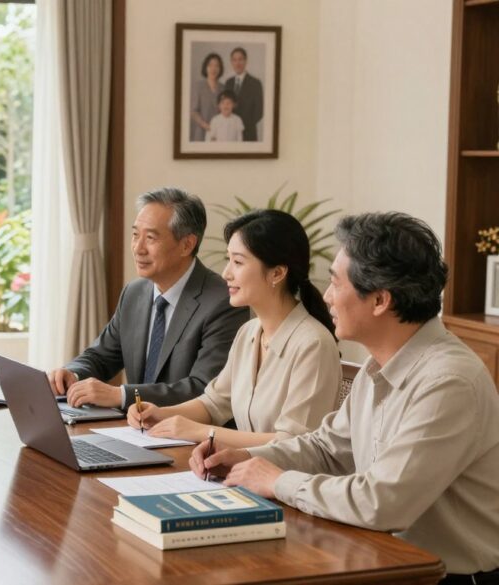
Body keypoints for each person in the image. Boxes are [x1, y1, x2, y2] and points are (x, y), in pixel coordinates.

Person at [195, 213, 499, 583]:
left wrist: (276, 481)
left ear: (379, 300)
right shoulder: (381, 362)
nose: (326, 297)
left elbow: (382, 502)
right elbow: (328, 448)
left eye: (336, 283)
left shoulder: (448, 382)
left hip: (441, 576)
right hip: (380, 557)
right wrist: (246, 460)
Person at [128, 210, 340, 447]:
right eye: (229, 260)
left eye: (238, 262)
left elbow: (293, 443)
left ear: (277, 273)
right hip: (246, 473)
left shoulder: (313, 344)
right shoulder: (248, 332)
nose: (226, 273)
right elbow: (214, 403)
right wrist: (161, 414)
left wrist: (200, 432)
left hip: (288, 480)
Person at [48, 187, 249, 409]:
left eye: (150, 238)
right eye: (135, 235)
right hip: (135, 429)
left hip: (190, 435)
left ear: (187, 245)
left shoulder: (223, 301)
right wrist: (72, 374)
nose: (138, 248)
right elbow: (101, 356)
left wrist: (122, 395)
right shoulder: (135, 292)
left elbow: (203, 388)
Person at [225, 47, 264, 142]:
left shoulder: (255, 83)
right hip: (230, 133)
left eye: (240, 59)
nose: (237, 63)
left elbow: (259, 111)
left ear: (245, 61)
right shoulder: (228, 83)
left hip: (248, 133)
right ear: (231, 62)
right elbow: (225, 106)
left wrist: (242, 126)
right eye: (234, 60)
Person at [189, 52, 224, 142]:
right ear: (205, 67)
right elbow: (193, 111)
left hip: (219, 133)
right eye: (210, 65)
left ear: (220, 69)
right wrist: (206, 126)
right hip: (201, 132)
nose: (213, 68)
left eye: (217, 66)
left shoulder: (223, 88)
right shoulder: (198, 86)